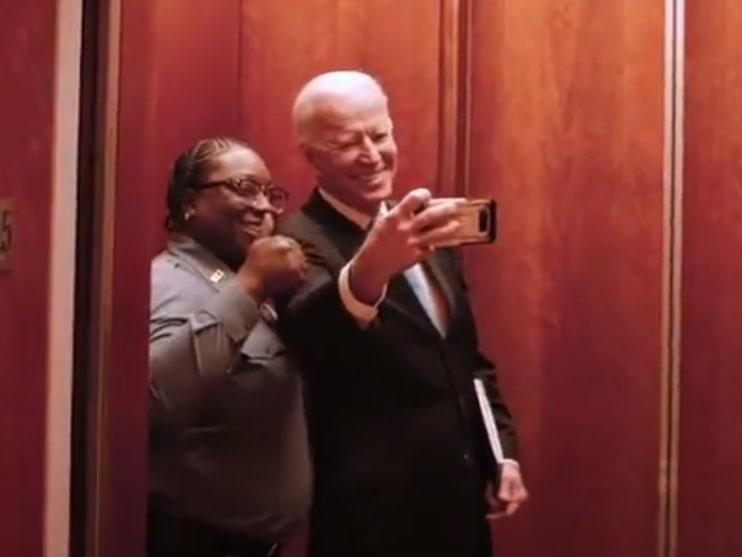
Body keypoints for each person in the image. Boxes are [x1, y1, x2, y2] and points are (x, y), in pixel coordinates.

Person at [276, 72, 528, 557]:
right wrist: (369, 270)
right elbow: (312, 338)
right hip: (367, 523)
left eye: (380, 134)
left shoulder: (426, 233)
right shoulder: (295, 240)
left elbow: (466, 362)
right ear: (312, 158)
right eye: (348, 143)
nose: (371, 155)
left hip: (459, 511)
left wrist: (502, 454)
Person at [147, 137, 311, 557]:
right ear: (188, 203)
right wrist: (251, 284)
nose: (264, 206)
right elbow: (156, 397)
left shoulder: (229, 280)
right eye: (243, 187)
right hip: (197, 543)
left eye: (270, 193)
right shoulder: (170, 281)